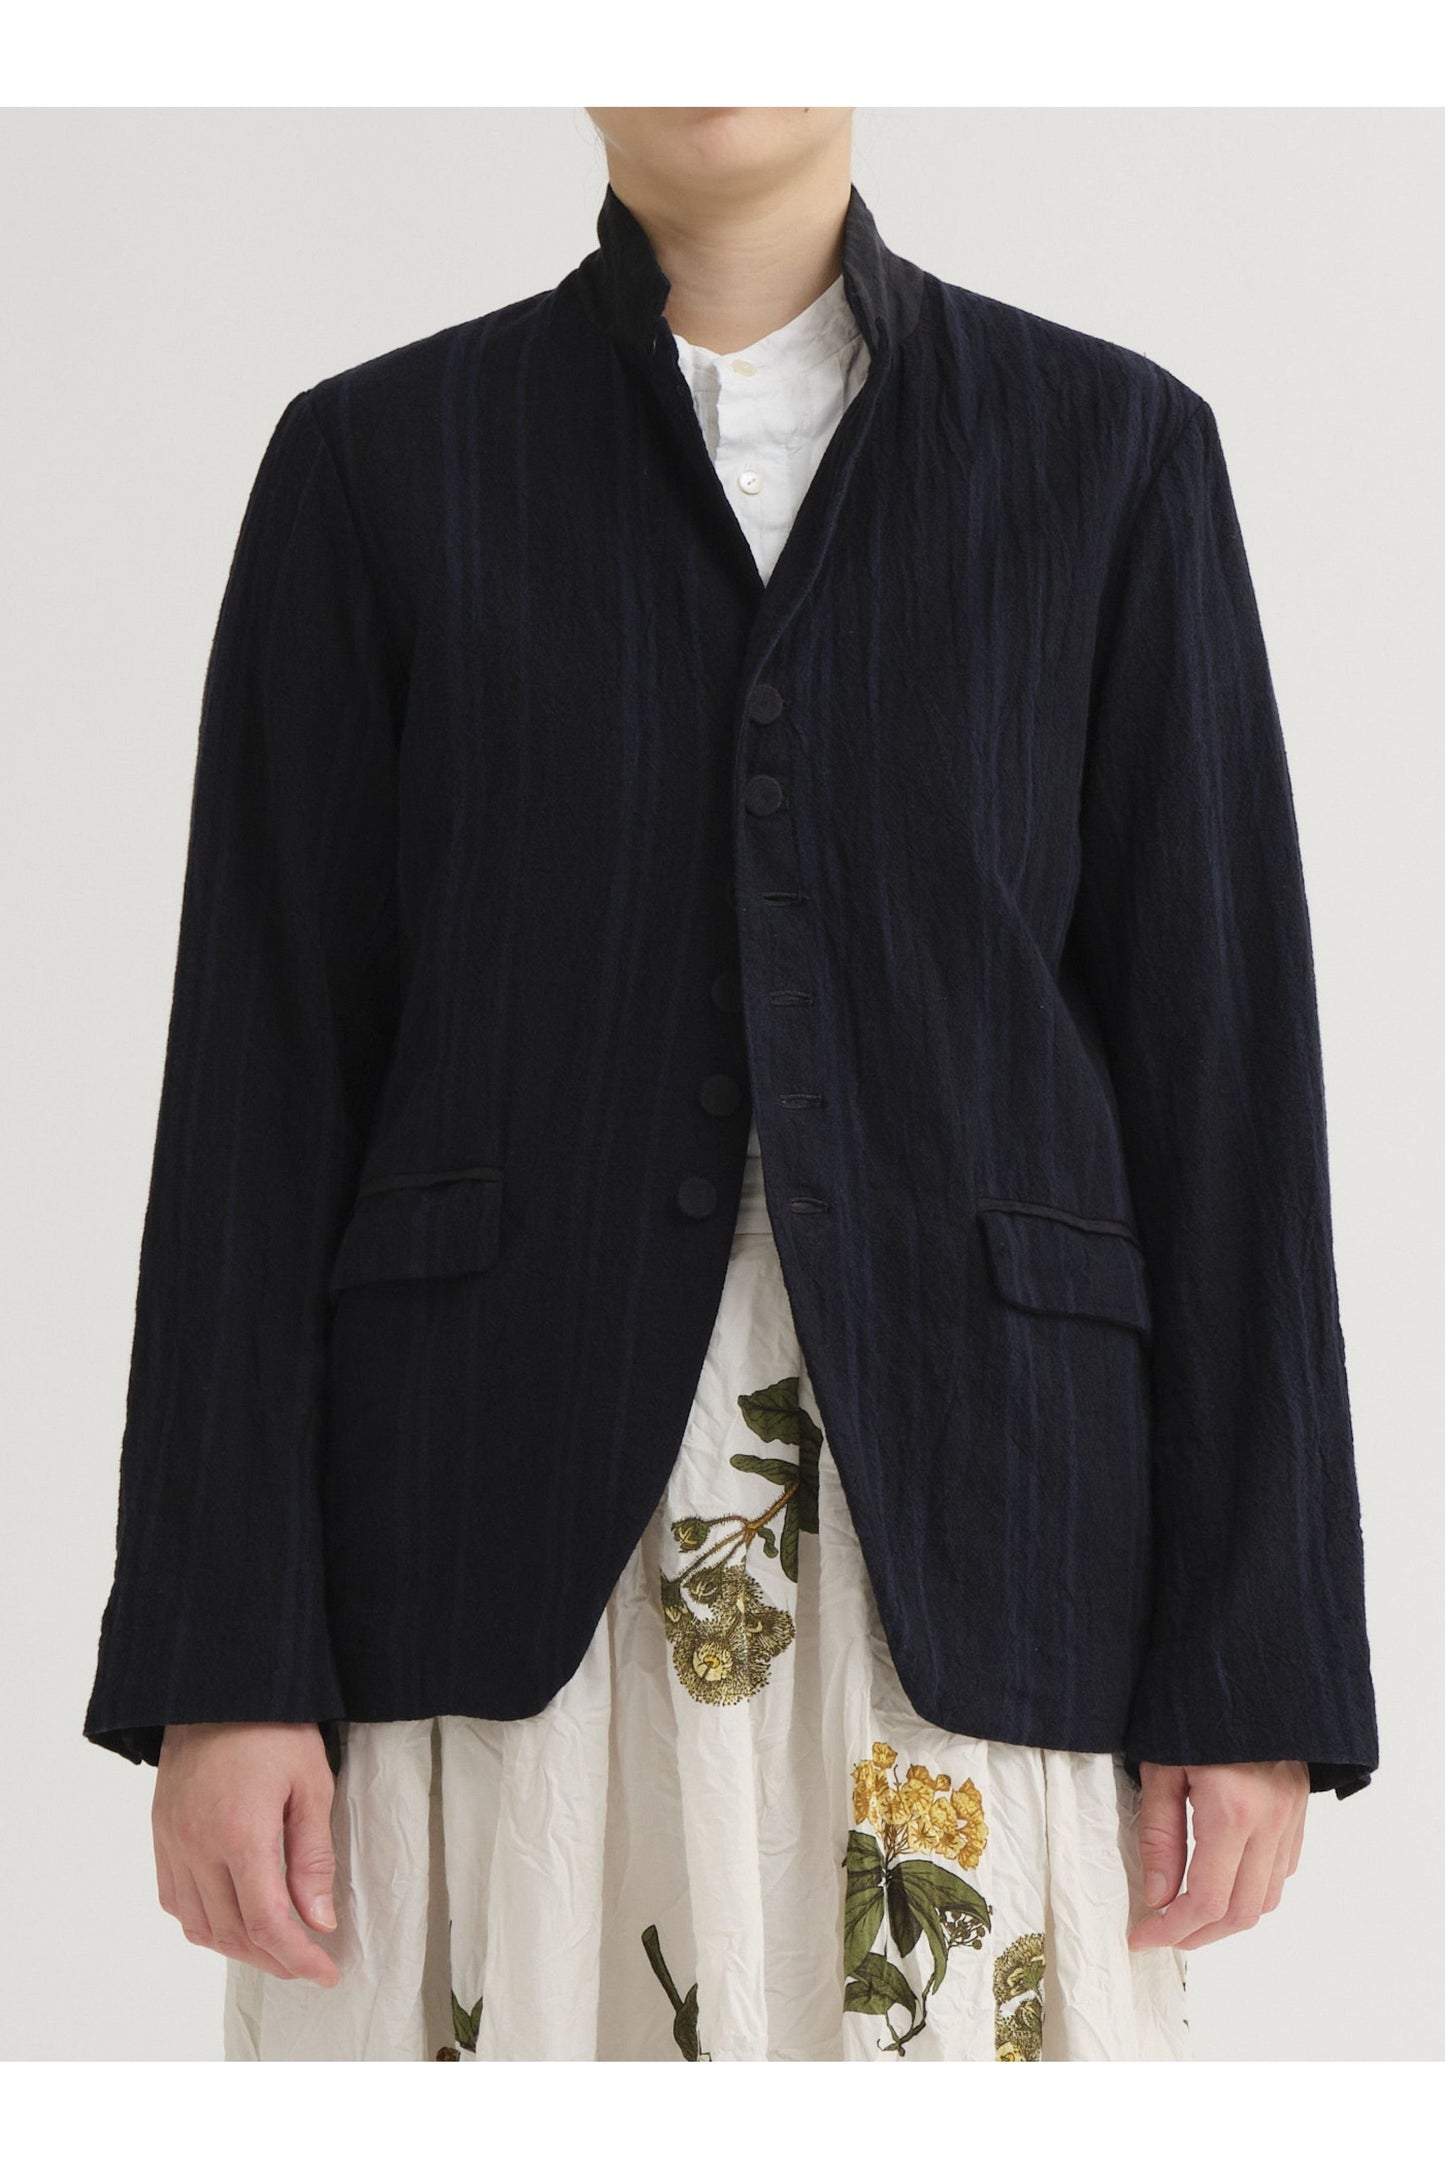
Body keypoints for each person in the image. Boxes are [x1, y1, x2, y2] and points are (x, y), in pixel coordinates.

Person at [84, 109, 1378, 2061]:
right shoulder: (381, 463)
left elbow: (1228, 1087)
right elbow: (255, 1095)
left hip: (985, 1535)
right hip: (481, 1545)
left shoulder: (1110, 457)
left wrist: (1253, 1657)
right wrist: (223, 1662)